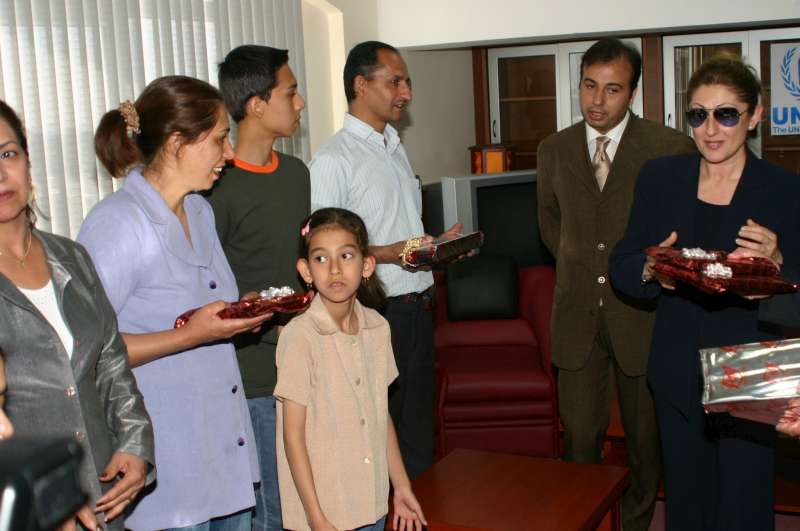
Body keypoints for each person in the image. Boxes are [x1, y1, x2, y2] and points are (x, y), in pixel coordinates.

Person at [609, 55, 800, 530]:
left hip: (750, 371)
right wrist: (653, 268)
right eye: (699, 114)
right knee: (687, 507)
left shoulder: (785, 190)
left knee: (744, 507)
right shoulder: (660, 178)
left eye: (726, 114)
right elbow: (622, 266)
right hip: (677, 366)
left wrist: (775, 270)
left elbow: (795, 287)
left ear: (755, 116)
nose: (711, 129)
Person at [77, 76, 272, 531]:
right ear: (177, 142)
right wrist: (193, 334)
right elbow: (88, 348)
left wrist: (241, 311)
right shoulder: (116, 224)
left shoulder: (201, 211)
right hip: (166, 464)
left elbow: (207, 309)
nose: (230, 153)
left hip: (224, 453)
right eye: (221, 139)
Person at [536, 38, 695, 531]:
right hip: (577, 315)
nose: (597, 101)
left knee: (646, 444)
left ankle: (635, 524)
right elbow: (550, 225)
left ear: (632, 93)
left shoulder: (670, 148)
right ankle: (585, 521)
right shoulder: (554, 149)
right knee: (579, 440)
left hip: (643, 318)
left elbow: (683, 230)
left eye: (612, 89)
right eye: (589, 86)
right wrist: (581, 262)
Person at [310, 40, 462, 479]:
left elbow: (395, 232)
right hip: (377, 314)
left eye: (407, 82)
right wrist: (388, 254)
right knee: (375, 439)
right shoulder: (333, 160)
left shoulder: (394, 146)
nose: (406, 92)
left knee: (418, 436)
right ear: (361, 85)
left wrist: (432, 245)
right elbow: (324, 253)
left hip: (419, 311)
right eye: (395, 81)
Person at [0, 99, 154, 530]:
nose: (0, 172)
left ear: (28, 160)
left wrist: (135, 444)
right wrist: (48, 496)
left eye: (7, 153)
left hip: (102, 497)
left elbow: (110, 359)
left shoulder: (71, 257)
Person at [274, 207, 427, 531]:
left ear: (367, 264)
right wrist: (316, 517)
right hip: (325, 513)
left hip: (370, 503)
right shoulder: (300, 336)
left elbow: (379, 414)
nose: (334, 269)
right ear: (305, 270)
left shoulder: (378, 327)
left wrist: (400, 486)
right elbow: (292, 435)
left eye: (346, 255)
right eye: (320, 259)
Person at [208, 45, 309, 531]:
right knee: (270, 511)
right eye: (290, 92)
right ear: (256, 105)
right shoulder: (215, 189)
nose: (300, 102)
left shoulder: (296, 174)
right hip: (253, 378)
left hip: (305, 360)